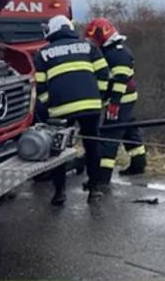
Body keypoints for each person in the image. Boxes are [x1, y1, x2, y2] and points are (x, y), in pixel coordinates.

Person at [33, 15, 109, 205]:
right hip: (91, 106)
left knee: (59, 150)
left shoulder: (43, 53)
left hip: (60, 110)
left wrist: (47, 107)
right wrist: (98, 98)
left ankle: (59, 192)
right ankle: (95, 189)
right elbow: (104, 74)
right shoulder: (89, 46)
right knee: (92, 146)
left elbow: (40, 86)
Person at [84, 18, 146, 184]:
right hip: (125, 98)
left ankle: (102, 178)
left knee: (108, 136)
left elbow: (120, 79)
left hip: (120, 99)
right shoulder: (112, 50)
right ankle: (138, 164)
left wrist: (114, 103)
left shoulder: (117, 53)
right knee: (128, 128)